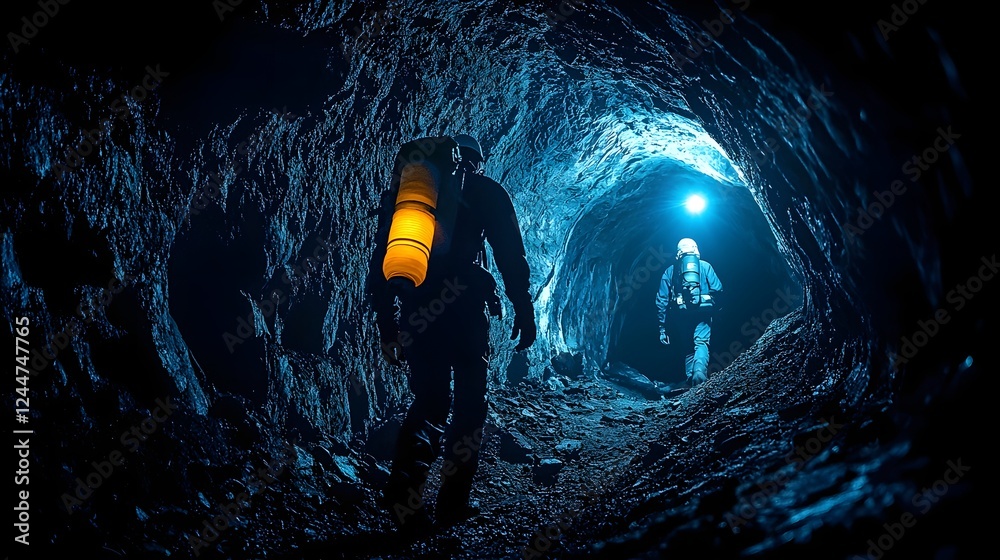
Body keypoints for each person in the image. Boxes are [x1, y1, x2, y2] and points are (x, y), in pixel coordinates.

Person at [365, 133, 536, 532]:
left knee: (429, 400)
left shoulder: (409, 199)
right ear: (476, 160)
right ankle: (453, 503)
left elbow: (382, 261)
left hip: (417, 312)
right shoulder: (484, 189)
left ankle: (403, 498)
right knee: (470, 404)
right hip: (464, 313)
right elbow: (510, 252)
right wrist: (523, 308)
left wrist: (387, 327)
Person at [655, 238, 723, 387]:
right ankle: (699, 374)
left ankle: (690, 380)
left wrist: (662, 328)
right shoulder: (705, 266)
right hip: (703, 313)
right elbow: (718, 289)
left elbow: (662, 300)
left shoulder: (670, 271)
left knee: (687, 346)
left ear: (678, 253)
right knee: (701, 342)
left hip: (681, 316)